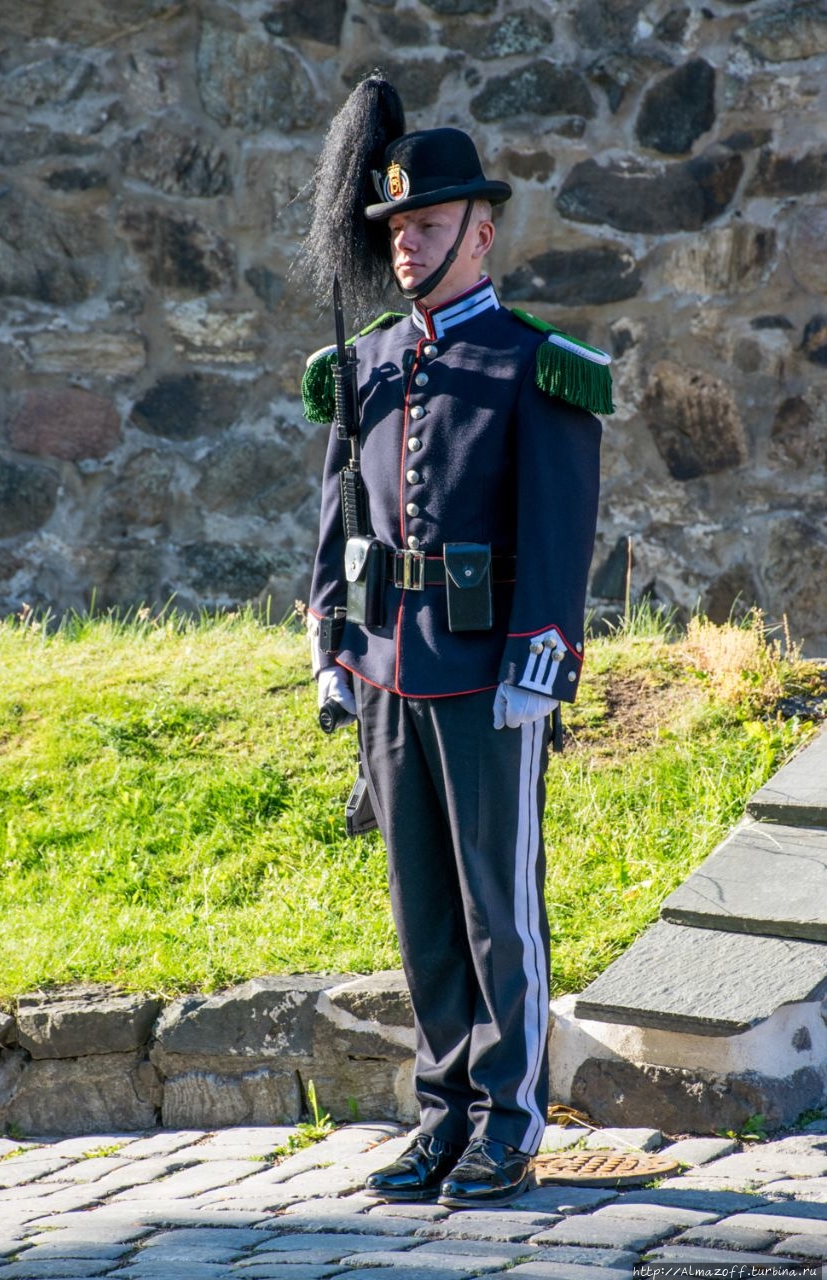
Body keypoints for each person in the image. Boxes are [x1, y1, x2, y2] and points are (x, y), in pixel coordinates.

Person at [299, 79, 612, 1208]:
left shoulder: (535, 365)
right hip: (389, 663)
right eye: (391, 231)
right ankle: (442, 1113)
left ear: (479, 231)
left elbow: (558, 523)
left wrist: (547, 652)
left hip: (487, 671)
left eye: (425, 227)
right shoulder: (372, 363)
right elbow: (343, 510)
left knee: (496, 903)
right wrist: (332, 637)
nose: (404, 247)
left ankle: (510, 1118)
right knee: (420, 900)